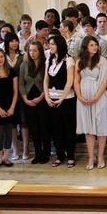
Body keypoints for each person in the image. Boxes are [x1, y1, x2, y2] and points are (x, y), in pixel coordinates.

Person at [74, 36, 107, 170]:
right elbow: (76, 80)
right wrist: (79, 96)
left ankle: (100, 156)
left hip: (99, 97)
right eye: (91, 45)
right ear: (85, 47)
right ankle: (91, 157)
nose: (94, 47)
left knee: (100, 128)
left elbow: (105, 81)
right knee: (88, 129)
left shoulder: (102, 61)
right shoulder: (79, 61)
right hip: (83, 98)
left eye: (96, 44)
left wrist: (96, 97)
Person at [44, 35, 76, 168]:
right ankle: (59, 155)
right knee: (56, 129)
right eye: (49, 44)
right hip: (51, 98)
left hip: (66, 99)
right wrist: (46, 96)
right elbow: (46, 79)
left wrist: (61, 98)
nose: (50, 46)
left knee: (68, 128)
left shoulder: (68, 60)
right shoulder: (49, 59)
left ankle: (70, 156)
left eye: (52, 44)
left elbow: (70, 81)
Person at [19, 41, 50, 164]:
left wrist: (41, 96)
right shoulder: (24, 65)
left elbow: (47, 82)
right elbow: (21, 83)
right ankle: (37, 153)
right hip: (28, 99)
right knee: (34, 128)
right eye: (30, 50)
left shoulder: (45, 64)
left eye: (35, 50)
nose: (32, 53)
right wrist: (25, 98)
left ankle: (46, 153)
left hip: (42, 98)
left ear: (40, 51)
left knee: (44, 127)